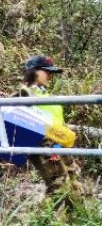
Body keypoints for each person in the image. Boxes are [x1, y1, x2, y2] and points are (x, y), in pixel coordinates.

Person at [18, 55, 82, 196]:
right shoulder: (24, 93)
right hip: (43, 143)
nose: (50, 75)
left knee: (74, 181)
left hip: (59, 143)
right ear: (34, 71)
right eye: (47, 71)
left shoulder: (45, 94)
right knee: (58, 185)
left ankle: (74, 216)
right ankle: (52, 217)